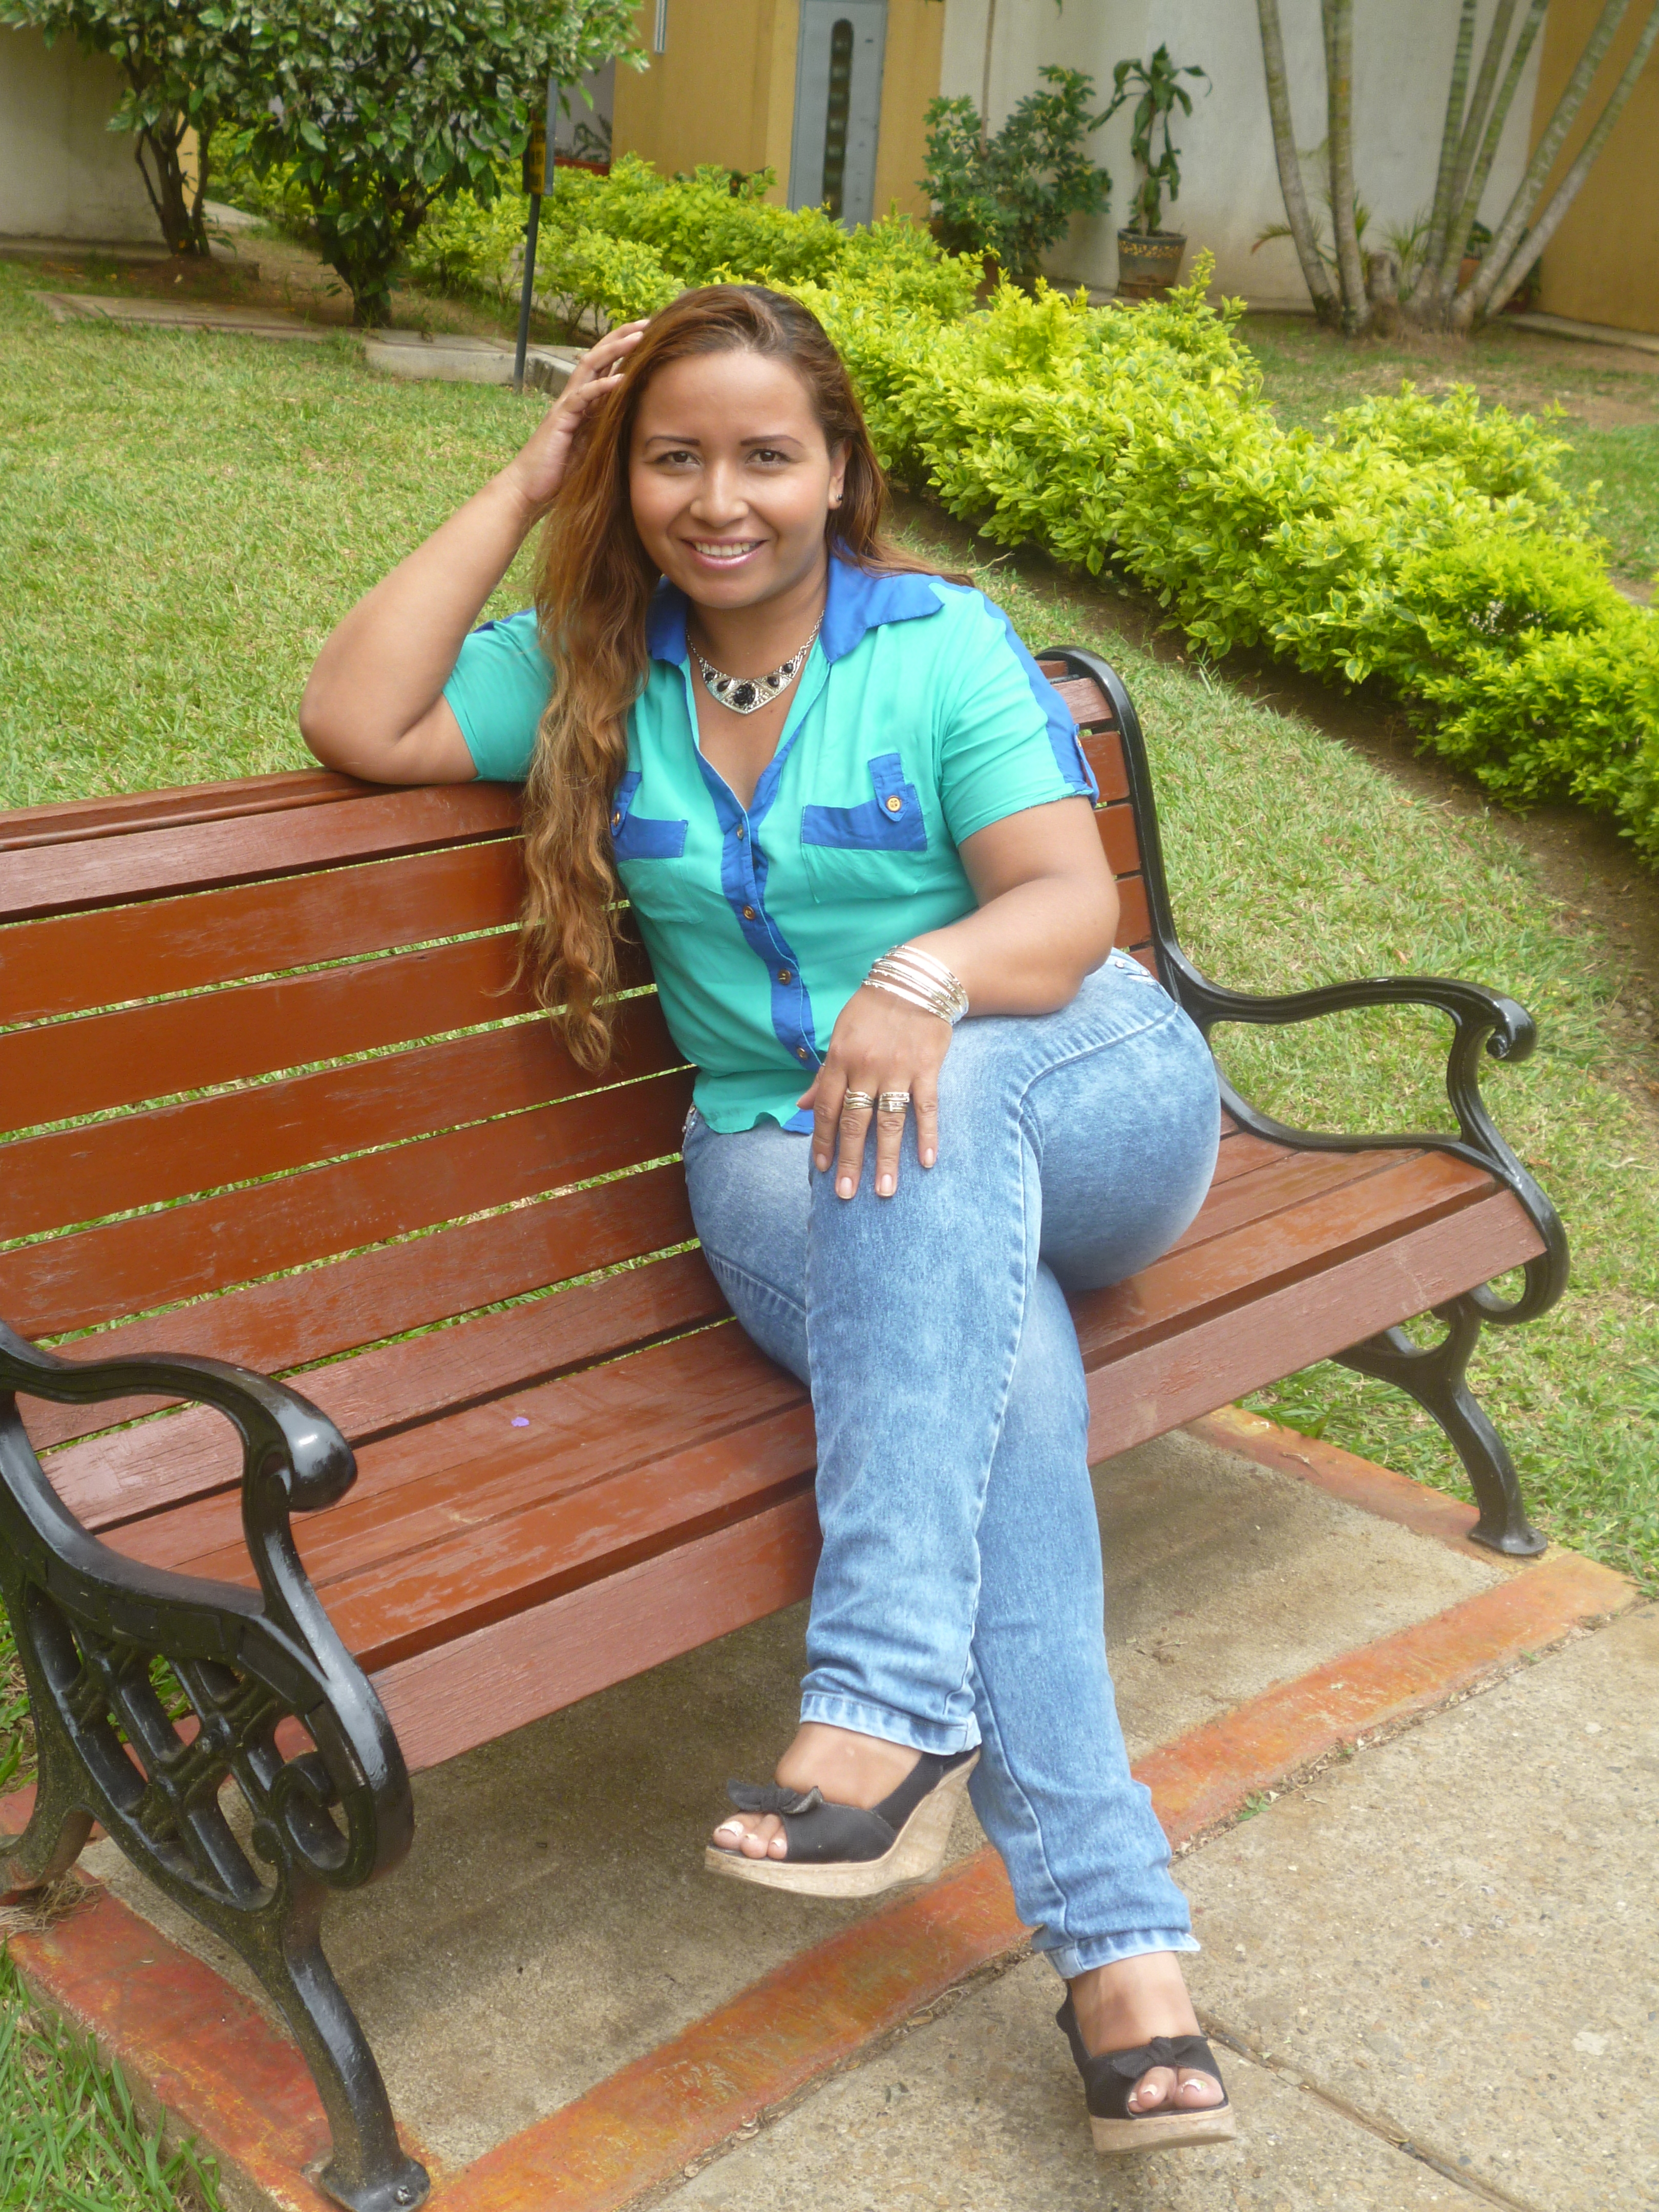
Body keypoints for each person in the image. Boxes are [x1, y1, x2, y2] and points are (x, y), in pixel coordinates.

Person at [300, 284, 1232, 2155]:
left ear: (835, 471)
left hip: (1081, 1089)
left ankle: (885, 1693)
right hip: (784, 1160)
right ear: (626, 475)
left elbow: (1066, 911)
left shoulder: (934, 644)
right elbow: (356, 716)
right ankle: (1125, 1959)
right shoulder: (590, 670)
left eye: (764, 457)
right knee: (1000, 1361)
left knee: (928, 1113)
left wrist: (923, 981)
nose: (719, 499)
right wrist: (529, 474)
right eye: (672, 458)